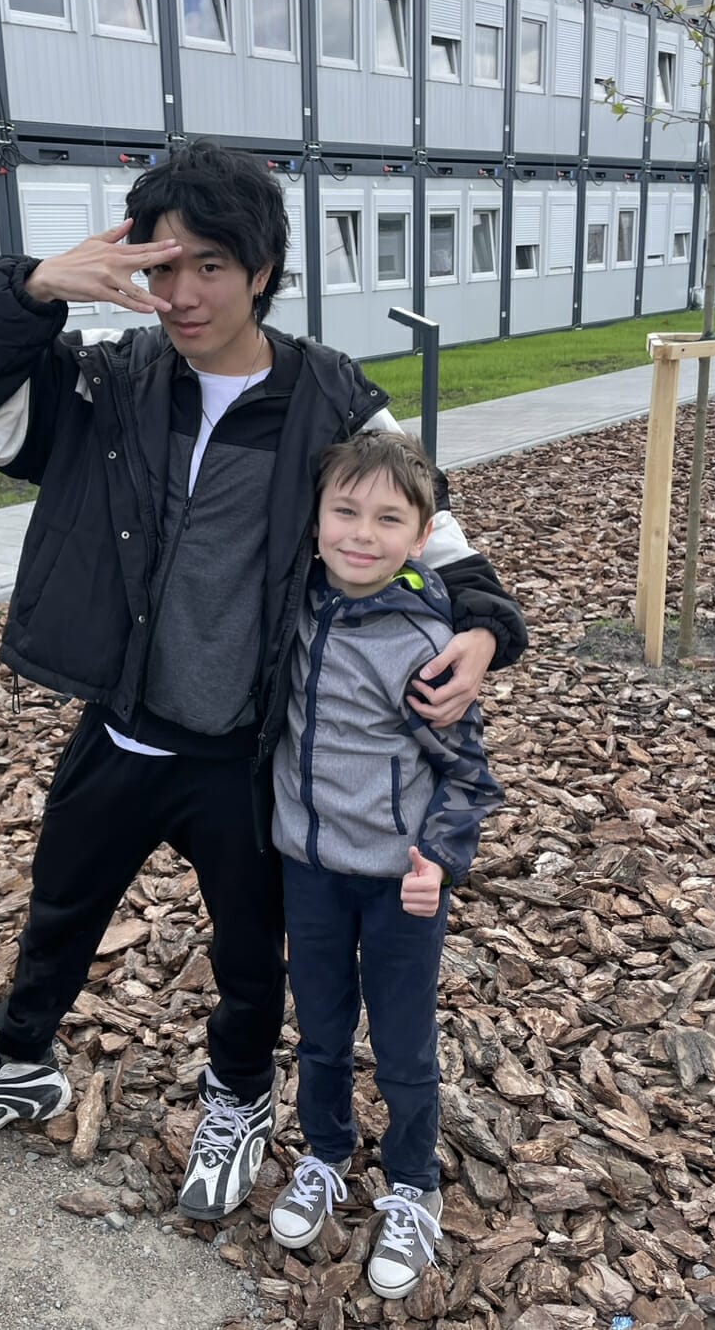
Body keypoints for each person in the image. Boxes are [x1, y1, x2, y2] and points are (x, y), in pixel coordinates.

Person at [0, 142, 526, 1223]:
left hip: (247, 748)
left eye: (210, 265)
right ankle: (18, 1061)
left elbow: (430, 527)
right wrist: (33, 285)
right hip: (123, 721)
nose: (183, 293)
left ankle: (238, 1095)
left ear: (261, 271)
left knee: (250, 948)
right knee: (59, 906)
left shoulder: (329, 396)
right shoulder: (109, 382)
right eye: (162, 266)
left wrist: (483, 628)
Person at [267, 431, 504, 1297]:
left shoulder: (422, 640)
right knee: (320, 1029)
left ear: (422, 534)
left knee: (402, 1041)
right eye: (344, 511)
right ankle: (326, 1152)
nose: (361, 534)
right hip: (309, 869)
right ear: (315, 518)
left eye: (387, 519)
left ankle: (412, 1183)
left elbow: (469, 774)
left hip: (400, 883)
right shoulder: (292, 603)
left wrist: (438, 859)